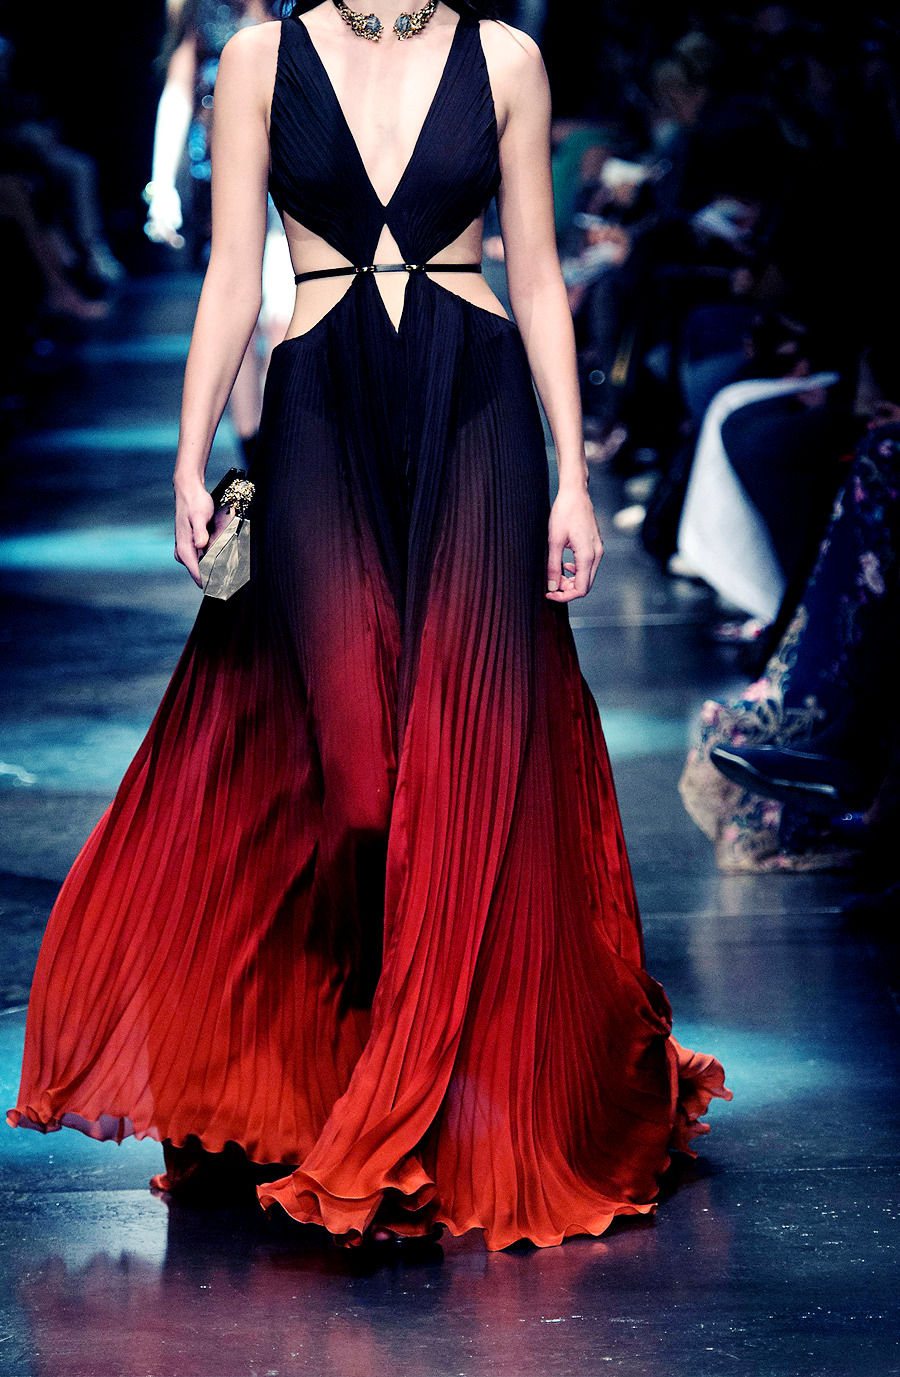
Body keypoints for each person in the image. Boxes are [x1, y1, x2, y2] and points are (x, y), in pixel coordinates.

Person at [8, 0, 729, 1251]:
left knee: (469, 753)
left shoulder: (504, 59)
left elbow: (536, 272)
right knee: (356, 782)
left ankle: (422, 1105)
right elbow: (233, 272)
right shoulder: (257, 61)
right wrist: (188, 457)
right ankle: (355, 1063)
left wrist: (573, 475)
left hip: (478, 410)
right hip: (321, 412)